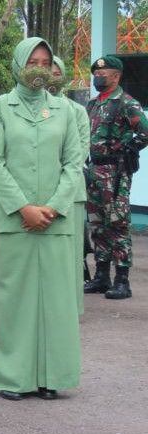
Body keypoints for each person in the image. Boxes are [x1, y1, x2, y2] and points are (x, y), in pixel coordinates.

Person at [0, 37, 84, 401]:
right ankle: (14, 377)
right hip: (13, 220)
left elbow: (74, 164)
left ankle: (52, 375)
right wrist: (24, 207)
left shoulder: (65, 110)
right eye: (33, 61)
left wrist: (54, 206)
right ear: (18, 63)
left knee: (56, 303)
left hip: (56, 221)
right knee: (14, 302)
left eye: (45, 62)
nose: (39, 69)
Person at [83, 55, 148, 300]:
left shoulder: (126, 103)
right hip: (94, 171)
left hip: (115, 173)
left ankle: (122, 280)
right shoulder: (92, 104)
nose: (98, 76)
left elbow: (144, 131)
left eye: (103, 73)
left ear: (117, 76)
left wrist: (128, 150)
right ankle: (101, 276)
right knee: (97, 224)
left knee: (117, 224)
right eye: (96, 74)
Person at [49, 56, 90, 316]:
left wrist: (59, 186)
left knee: (70, 255)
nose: (50, 76)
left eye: (55, 71)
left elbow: (80, 152)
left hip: (70, 193)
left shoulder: (76, 110)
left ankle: (71, 308)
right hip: (36, 194)